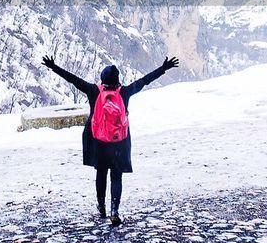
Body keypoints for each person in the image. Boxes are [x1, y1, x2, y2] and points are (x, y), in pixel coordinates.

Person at [41, 54, 179, 225]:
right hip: (119, 141)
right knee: (116, 176)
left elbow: (73, 79)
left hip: (99, 141)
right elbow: (145, 81)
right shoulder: (125, 92)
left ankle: (101, 206)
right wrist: (163, 68)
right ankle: (115, 209)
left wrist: (53, 67)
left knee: (101, 173)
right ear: (117, 80)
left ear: (102, 79)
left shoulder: (93, 91)